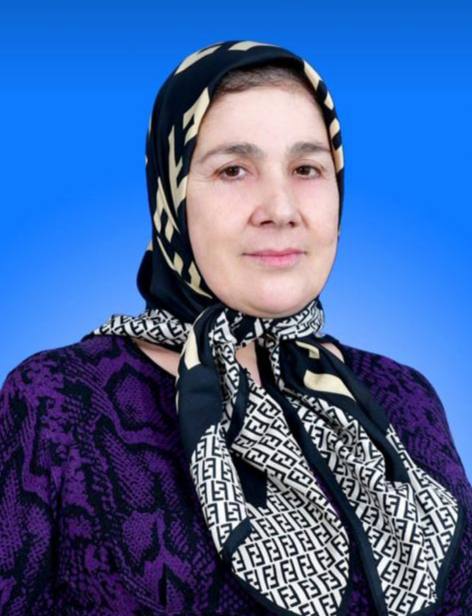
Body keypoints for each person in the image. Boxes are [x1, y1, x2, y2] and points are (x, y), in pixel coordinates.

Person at [0, 39, 471, 616]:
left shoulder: (405, 399)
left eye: (306, 168)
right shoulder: (57, 400)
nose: (280, 209)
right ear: (171, 195)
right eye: (233, 170)